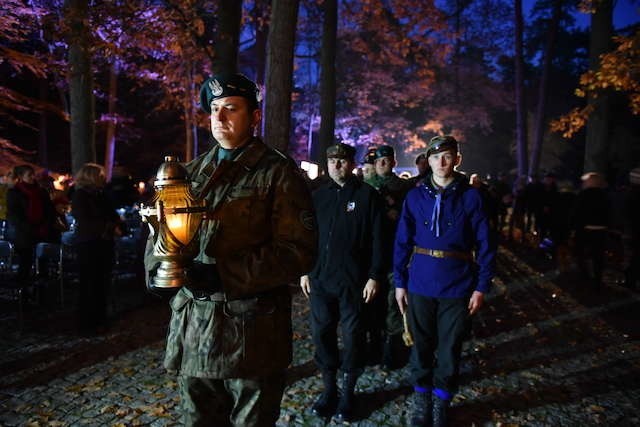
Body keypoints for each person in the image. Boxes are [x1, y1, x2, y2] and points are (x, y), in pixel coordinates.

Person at [145, 72, 317, 427]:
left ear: (254, 117)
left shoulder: (278, 174)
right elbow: (161, 233)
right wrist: (159, 270)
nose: (220, 118)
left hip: (251, 335)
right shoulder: (188, 174)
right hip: (194, 330)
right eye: (214, 109)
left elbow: (298, 251)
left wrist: (224, 275)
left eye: (231, 109)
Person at [393, 135, 496, 427]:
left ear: (457, 160)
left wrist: (481, 285)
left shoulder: (471, 196)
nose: (441, 162)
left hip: (458, 282)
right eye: (436, 157)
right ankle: (421, 397)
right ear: (428, 160)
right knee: (421, 345)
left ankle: (441, 399)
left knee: (450, 346)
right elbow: (402, 240)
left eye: (448, 156)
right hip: (421, 281)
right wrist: (399, 281)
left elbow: (487, 243)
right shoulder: (415, 196)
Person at [300, 143, 385, 422]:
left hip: (353, 280)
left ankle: (349, 393)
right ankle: (329, 390)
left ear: (352, 164)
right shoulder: (318, 196)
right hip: (320, 279)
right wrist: (304, 270)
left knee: (353, 336)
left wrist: (374, 275)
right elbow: (308, 237)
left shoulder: (367, 196)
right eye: (332, 160)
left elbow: (378, 239)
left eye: (343, 160)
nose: (337, 165)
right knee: (322, 333)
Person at [371, 144, 414, 369]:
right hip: (370, 255)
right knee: (371, 305)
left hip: (394, 252)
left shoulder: (404, 188)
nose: (383, 164)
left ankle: (391, 350)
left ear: (393, 162)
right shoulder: (366, 187)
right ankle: (373, 347)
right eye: (379, 161)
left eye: (387, 160)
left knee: (392, 304)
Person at [72, 163, 123, 336]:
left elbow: (113, 214)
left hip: (103, 243)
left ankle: (100, 318)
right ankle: (86, 323)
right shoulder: (80, 195)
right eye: (100, 175)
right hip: (89, 244)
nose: (104, 178)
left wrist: (118, 225)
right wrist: (108, 226)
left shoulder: (101, 195)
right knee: (89, 283)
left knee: (102, 282)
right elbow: (85, 219)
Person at [6, 165, 57, 286]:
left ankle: (41, 293)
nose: (33, 177)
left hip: (43, 231)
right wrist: (29, 228)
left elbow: (49, 210)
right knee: (25, 264)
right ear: (21, 177)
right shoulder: (14, 192)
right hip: (25, 234)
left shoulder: (41, 191)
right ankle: (24, 293)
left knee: (43, 263)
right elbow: (14, 215)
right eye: (29, 175)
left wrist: (46, 224)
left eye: (33, 174)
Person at [572, 172, 610, 290]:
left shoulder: (583, 195)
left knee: (581, 253)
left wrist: (574, 226)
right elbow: (610, 212)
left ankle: (585, 276)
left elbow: (577, 212)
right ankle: (597, 279)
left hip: (585, 229)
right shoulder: (605, 195)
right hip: (601, 230)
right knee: (598, 256)